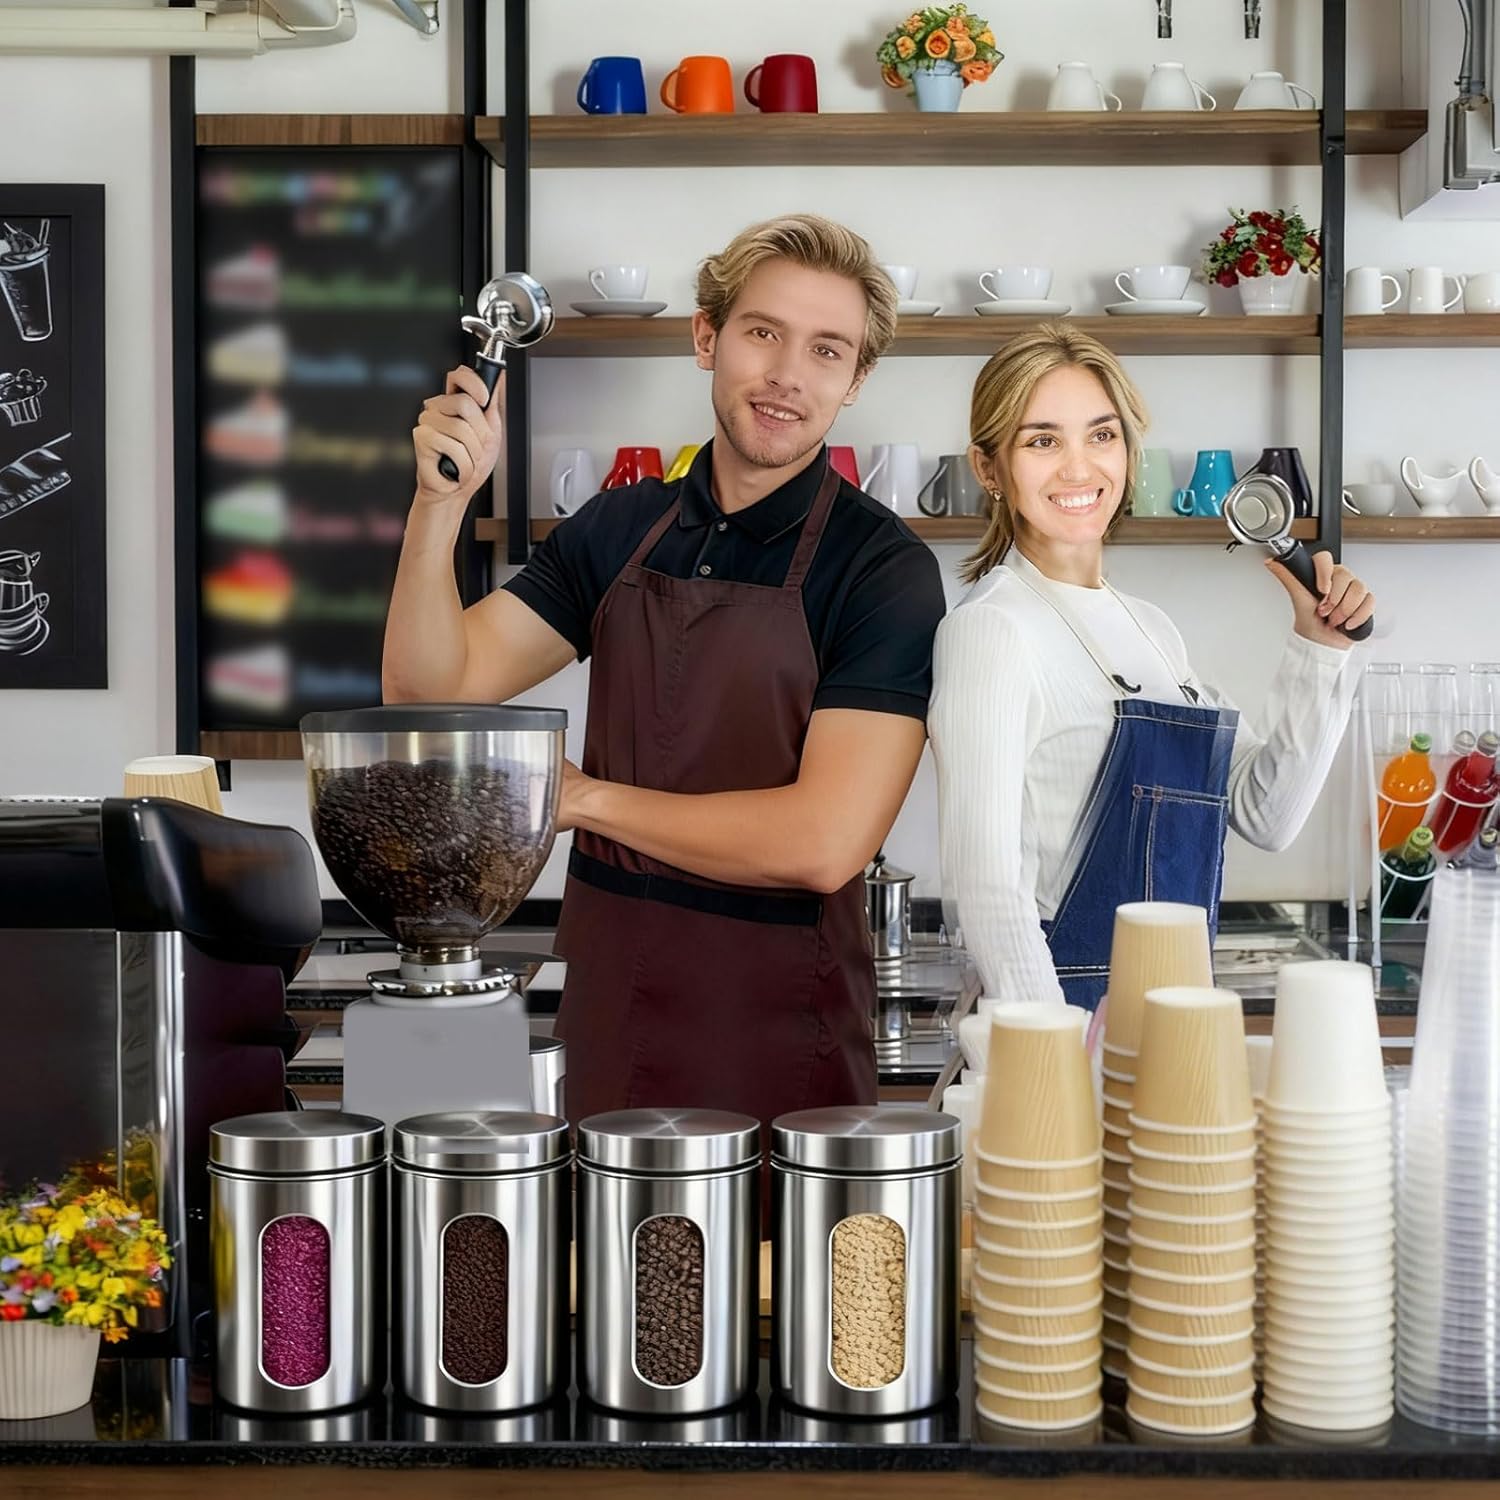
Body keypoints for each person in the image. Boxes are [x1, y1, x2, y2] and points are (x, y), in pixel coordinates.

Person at [384, 213, 946, 1160]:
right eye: (762, 333)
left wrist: (585, 798)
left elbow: (822, 842)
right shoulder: (618, 528)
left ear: (854, 383)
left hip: (783, 1024)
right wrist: (440, 506)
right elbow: (430, 691)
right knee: (609, 1294)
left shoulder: (882, 569)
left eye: (826, 350)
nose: (787, 376)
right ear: (706, 338)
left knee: (774, 1296)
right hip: (615, 1007)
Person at [929, 324, 1373, 1011]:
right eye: (1043, 440)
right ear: (989, 468)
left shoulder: (1152, 630)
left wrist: (1321, 650)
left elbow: (1267, 814)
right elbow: (988, 888)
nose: (1079, 469)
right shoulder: (991, 629)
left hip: (1173, 1010)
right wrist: (1055, 1072)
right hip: (1064, 1020)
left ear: (1130, 453)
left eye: (1101, 436)